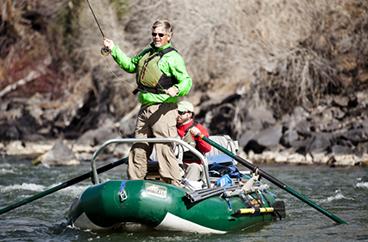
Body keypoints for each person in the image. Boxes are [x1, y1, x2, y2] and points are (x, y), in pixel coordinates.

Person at [103, 20, 192, 186]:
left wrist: (177, 90)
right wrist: (114, 49)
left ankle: (174, 186)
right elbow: (130, 66)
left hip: (164, 110)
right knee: (139, 148)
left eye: (160, 34)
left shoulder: (174, 58)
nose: (156, 37)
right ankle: (134, 184)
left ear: (169, 36)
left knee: (164, 149)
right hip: (145, 109)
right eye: (154, 34)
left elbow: (186, 81)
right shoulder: (146, 52)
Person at [176, 100, 211, 184]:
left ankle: (188, 190)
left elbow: (207, 148)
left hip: (193, 165)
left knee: (194, 167)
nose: (177, 115)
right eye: (176, 112)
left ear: (189, 114)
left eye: (181, 112)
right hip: (175, 164)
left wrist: (197, 136)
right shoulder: (171, 127)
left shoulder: (199, 128)